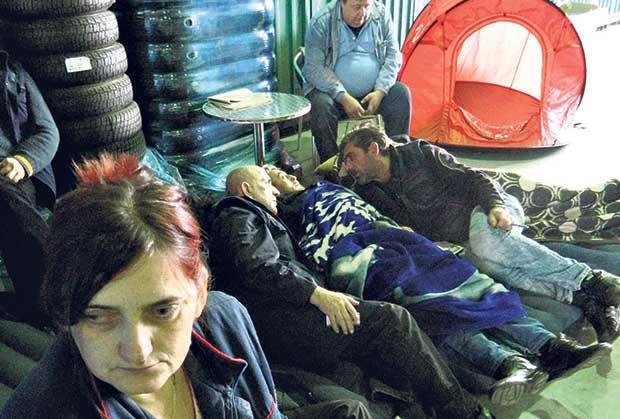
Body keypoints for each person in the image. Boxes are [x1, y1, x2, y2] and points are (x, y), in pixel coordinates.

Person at [265, 165, 612, 406]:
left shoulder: (335, 184)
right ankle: (507, 364)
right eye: (271, 177)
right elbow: (304, 254)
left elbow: (366, 198)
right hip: (360, 254)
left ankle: (553, 347)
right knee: (429, 304)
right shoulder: (288, 215)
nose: (284, 175)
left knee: (472, 282)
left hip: (395, 236)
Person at [0, 154, 289, 419]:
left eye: (162, 311)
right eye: (97, 317)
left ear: (200, 292)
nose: (137, 350)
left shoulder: (228, 323)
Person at [209, 165, 499, 419]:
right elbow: (258, 267)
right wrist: (319, 295)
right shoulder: (237, 212)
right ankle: (463, 411)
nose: (274, 190)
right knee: (392, 319)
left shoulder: (261, 217)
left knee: (391, 322)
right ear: (246, 189)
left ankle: (462, 390)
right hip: (287, 322)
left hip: (289, 315)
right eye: (265, 183)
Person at [337, 125, 620, 342]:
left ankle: (590, 278)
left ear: (374, 149)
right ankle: (585, 298)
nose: (348, 167)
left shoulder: (419, 154)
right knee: (486, 266)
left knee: (486, 244)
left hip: (484, 208)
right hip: (463, 238)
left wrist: (496, 206)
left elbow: (475, 178)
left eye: (351, 158)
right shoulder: (368, 192)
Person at [302, 0, 411, 161]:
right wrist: (343, 96)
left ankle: (396, 159)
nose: (363, 13)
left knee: (401, 94)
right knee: (320, 105)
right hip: (334, 95)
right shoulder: (321, 22)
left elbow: (393, 56)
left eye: (367, 6)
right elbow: (313, 68)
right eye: (356, 7)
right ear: (342, 3)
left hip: (373, 93)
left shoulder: (381, 15)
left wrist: (380, 91)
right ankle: (332, 164)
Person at [0, 43, 59, 326]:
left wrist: (22, 162)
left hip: (13, 169)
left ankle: (52, 292)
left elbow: (48, 131)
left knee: (8, 199)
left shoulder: (15, 74)